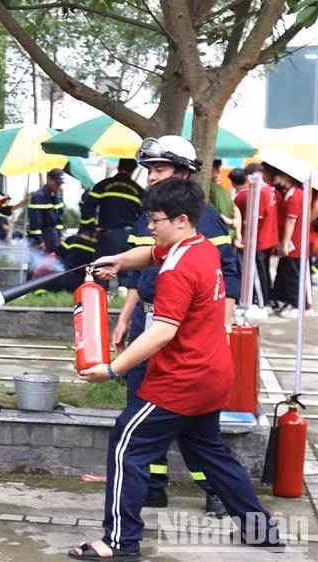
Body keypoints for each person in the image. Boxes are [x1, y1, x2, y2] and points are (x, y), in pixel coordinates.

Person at [69, 178, 283, 561]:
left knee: (126, 444)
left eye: (155, 220)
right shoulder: (199, 247)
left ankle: (119, 542)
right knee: (210, 453)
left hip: (181, 381)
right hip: (212, 373)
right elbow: (152, 253)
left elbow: (162, 333)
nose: (150, 227)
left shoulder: (177, 270)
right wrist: (119, 260)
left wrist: (113, 369)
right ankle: (260, 530)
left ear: (181, 219)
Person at [113, 135, 238, 516]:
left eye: (160, 169)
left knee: (191, 423)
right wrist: (123, 320)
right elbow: (142, 271)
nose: (151, 177)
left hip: (182, 332)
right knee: (140, 405)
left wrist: (222, 331)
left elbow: (226, 278)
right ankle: (152, 485)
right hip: (147, 322)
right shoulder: (149, 217)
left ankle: (214, 490)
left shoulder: (204, 220)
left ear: (183, 173)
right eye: (149, 170)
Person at [263, 155, 312, 317]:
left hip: (295, 242)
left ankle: (296, 305)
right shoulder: (297, 193)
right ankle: (288, 302)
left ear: (286, 177)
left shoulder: (294, 195)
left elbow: (291, 221)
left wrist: (284, 244)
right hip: (296, 241)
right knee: (288, 272)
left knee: (293, 274)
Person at [80, 158, 143, 268]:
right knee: (127, 277)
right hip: (129, 238)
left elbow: (87, 207)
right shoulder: (139, 191)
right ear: (133, 170)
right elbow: (145, 216)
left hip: (107, 235)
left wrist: (89, 228)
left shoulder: (102, 186)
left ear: (118, 167)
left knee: (101, 272)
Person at [232, 166, 278, 312]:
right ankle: (265, 301)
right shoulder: (269, 190)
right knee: (262, 270)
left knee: (257, 272)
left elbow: (255, 218)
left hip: (259, 238)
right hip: (268, 236)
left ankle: (262, 304)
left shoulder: (258, 192)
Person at [28, 169, 66, 254]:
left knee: (53, 263)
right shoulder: (38, 196)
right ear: (49, 179)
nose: (59, 186)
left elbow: (59, 220)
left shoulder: (58, 197)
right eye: (57, 183)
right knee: (38, 265)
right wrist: (39, 241)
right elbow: (35, 222)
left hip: (54, 236)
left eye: (61, 184)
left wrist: (60, 236)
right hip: (42, 236)